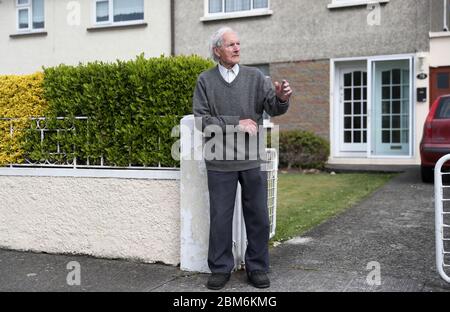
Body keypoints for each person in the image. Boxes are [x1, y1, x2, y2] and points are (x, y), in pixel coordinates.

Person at [192, 27, 292, 290]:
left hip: (252, 159)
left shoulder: (255, 77)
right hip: (219, 161)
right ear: (217, 51)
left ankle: (257, 267)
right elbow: (202, 121)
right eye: (230, 45)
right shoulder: (205, 80)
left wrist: (281, 99)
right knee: (221, 218)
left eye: (238, 43)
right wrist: (237, 123)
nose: (237, 48)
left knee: (258, 216)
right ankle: (220, 268)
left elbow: (274, 107)